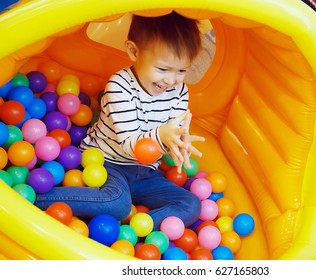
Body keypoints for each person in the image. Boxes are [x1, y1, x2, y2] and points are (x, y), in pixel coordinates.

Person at [35, 11, 205, 230]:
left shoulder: (179, 92)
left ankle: (137, 229)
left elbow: (170, 135)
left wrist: (179, 145)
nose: (171, 80)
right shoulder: (120, 86)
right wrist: (161, 136)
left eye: (182, 70)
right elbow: (130, 145)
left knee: (191, 204)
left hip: (145, 173)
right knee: (117, 203)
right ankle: (38, 199)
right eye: (163, 69)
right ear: (134, 52)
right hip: (107, 162)